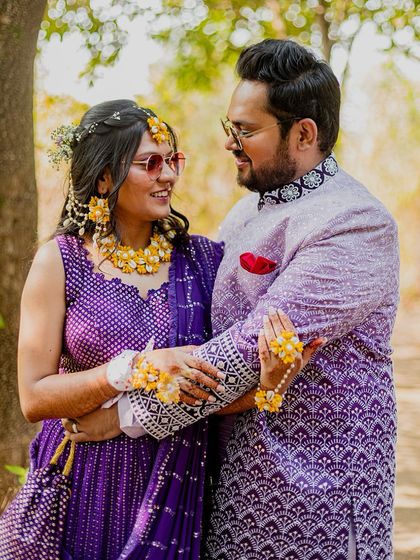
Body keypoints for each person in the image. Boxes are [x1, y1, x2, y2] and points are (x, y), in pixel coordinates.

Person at [90, 40, 398, 559]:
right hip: (226, 486)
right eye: (229, 127)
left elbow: (243, 352)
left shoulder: (355, 224)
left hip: (315, 496)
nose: (231, 143)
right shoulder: (243, 213)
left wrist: (120, 415)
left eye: (247, 131)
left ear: (304, 133)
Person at [15, 98, 315, 560]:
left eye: (172, 160)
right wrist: (132, 369)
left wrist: (266, 387)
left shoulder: (203, 261)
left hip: (176, 480)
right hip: (84, 479)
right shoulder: (62, 261)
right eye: (149, 163)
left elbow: (211, 386)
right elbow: (34, 397)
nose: (168, 175)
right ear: (104, 177)